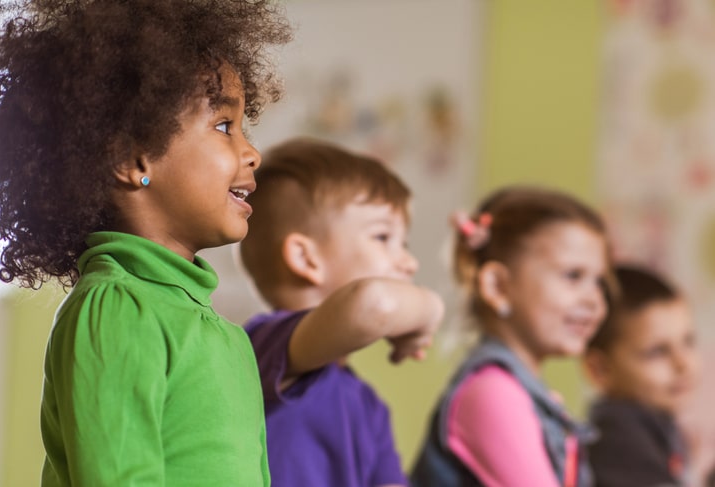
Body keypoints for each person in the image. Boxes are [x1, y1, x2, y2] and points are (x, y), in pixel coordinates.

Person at [0, 1, 291, 485]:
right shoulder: (116, 308)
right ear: (133, 160)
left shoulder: (224, 336)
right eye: (224, 126)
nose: (252, 152)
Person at [237, 137, 445, 487]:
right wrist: (429, 308)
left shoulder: (368, 405)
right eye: (382, 237)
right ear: (306, 258)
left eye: (404, 243)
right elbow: (374, 305)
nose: (409, 262)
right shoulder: (264, 348)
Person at [411, 186, 612, 487]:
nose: (595, 301)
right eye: (573, 276)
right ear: (497, 287)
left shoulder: (528, 395)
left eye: (599, 282)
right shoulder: (493, 393)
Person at [584, 264, 700, 487]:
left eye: (688, 341)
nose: (682, 364)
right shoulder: (617, 439)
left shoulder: (654, 425)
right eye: (658, 352)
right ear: (600, 370)